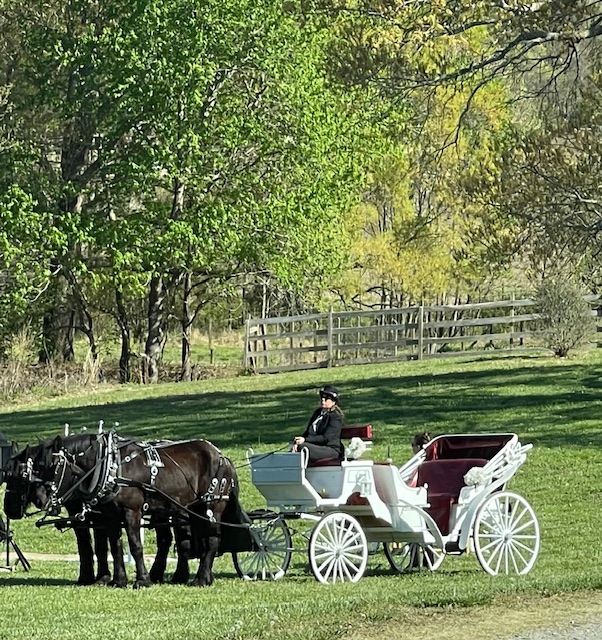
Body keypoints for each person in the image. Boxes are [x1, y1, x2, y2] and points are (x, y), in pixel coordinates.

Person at [291, 384, 344, 463]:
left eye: (326, 398)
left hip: (330, 449)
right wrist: (299, 440)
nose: (323, 400)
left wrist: (305, 440)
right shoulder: (318, 413)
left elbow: (326, 438)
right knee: (294, 447)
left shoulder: (335, 417)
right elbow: (308, 431)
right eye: (322, 397)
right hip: (316, 447)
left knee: (302, 447)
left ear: (333, 401)